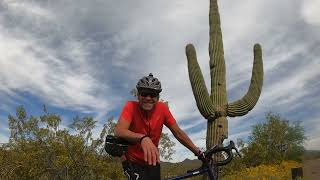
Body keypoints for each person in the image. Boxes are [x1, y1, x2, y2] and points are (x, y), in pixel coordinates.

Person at [114, 73, 204, 180]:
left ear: (158, 97)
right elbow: (119, 131)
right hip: (132, 161)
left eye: (152, 95)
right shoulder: (130, 106)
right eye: (144, 93)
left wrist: (198, 152)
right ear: (138, 95)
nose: (148, 98)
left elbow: (178, 133)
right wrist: (143, 138)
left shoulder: (162, 109)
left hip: (153, 160)